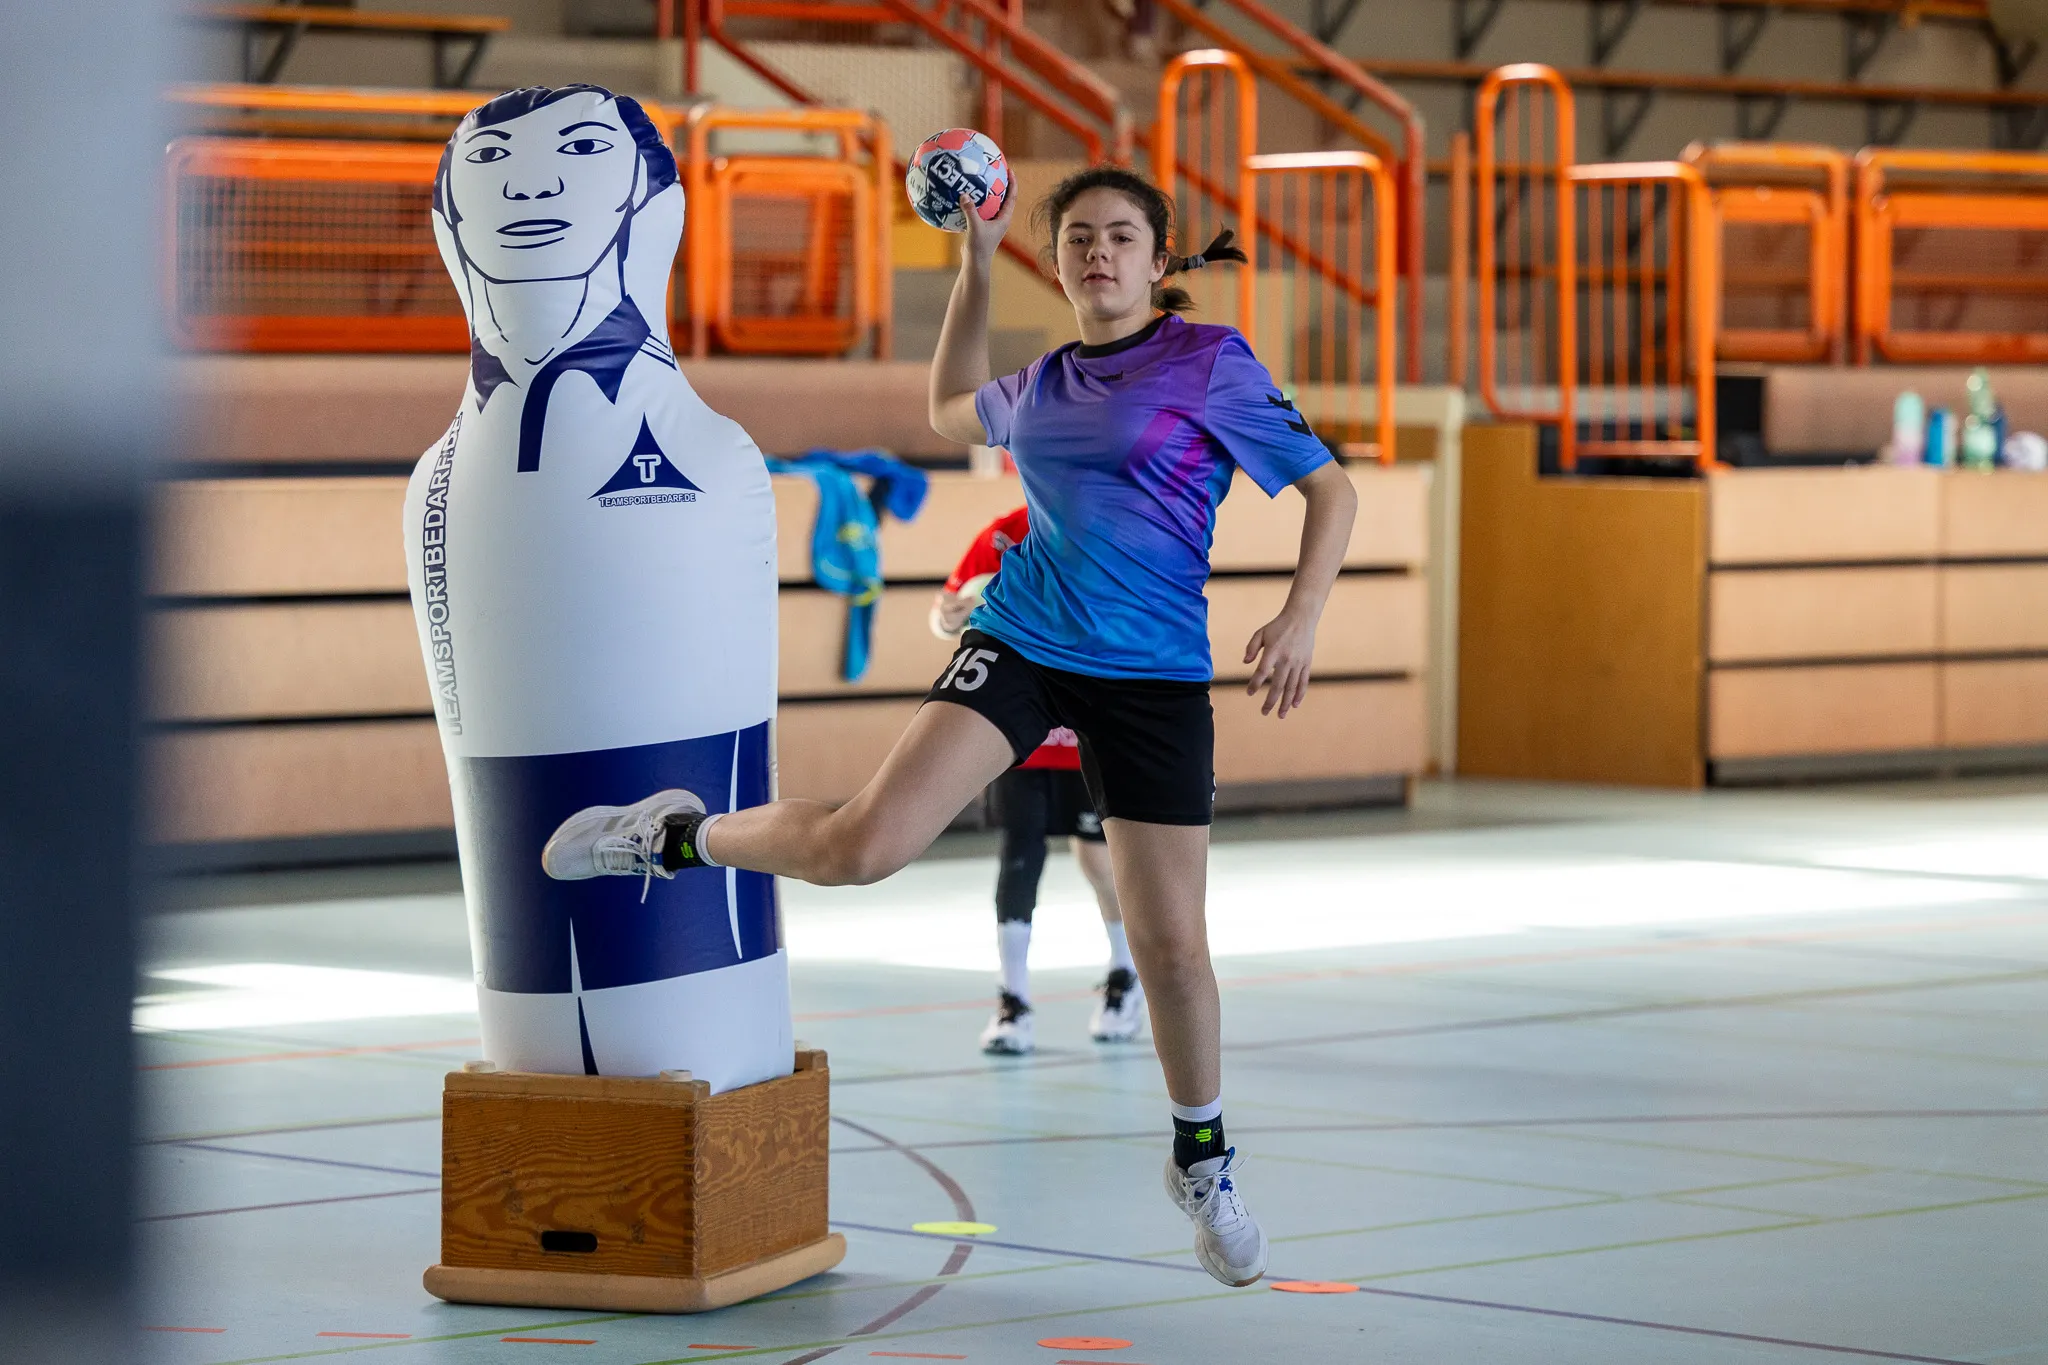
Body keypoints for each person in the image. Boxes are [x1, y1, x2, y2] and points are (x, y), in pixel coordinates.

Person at [544, 164, 1358, 1287]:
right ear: (1059, 258)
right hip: (1023, 641)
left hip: (1153, 674)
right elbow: (944, 410)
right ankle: (669, 836)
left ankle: (1199, 1158)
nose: (1097, 254)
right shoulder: (1042, 382)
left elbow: (1331, 490)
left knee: (1170, 946)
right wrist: (973, 261)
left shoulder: (1207, 363)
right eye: (1076, 238)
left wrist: (1300, 615)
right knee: (859, 848)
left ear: (1158, 259)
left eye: (1121, 236)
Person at [932, 508, 1143, 1055]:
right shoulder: (1004, 532)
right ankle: (1012, 1001)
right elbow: (946, 615)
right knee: (1020, 854)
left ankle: (1124, 976)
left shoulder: (1107, 523)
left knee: (1100, 860)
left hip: (1087, 731)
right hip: (1019, 733)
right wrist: (951, 618)